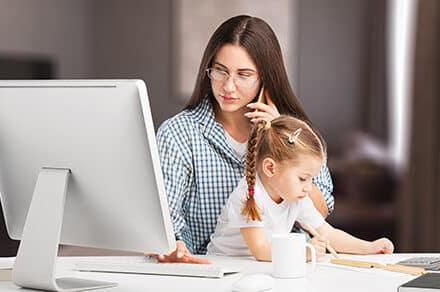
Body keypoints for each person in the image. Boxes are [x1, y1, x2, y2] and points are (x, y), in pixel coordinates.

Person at [155, 15, 334, 263]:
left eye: (244, 74)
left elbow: (320, 213)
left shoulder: (293, 132)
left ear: (265, 79)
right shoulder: (178, 133)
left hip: (281, 272)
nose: (228, 86)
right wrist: (174, 246)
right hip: (205, 272)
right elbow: (166, 220)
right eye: (220, 71)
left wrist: (281, 138)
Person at [206, 117, 394, 260]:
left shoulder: (296, 196)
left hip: (264, 268)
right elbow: (262, 250)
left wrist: (369, 248)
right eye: (303, 178)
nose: (309, 187)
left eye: (311, 179)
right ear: (270, 168)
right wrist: (303, 253)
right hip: (227, 268)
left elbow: (327, 233)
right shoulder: (249, 196)